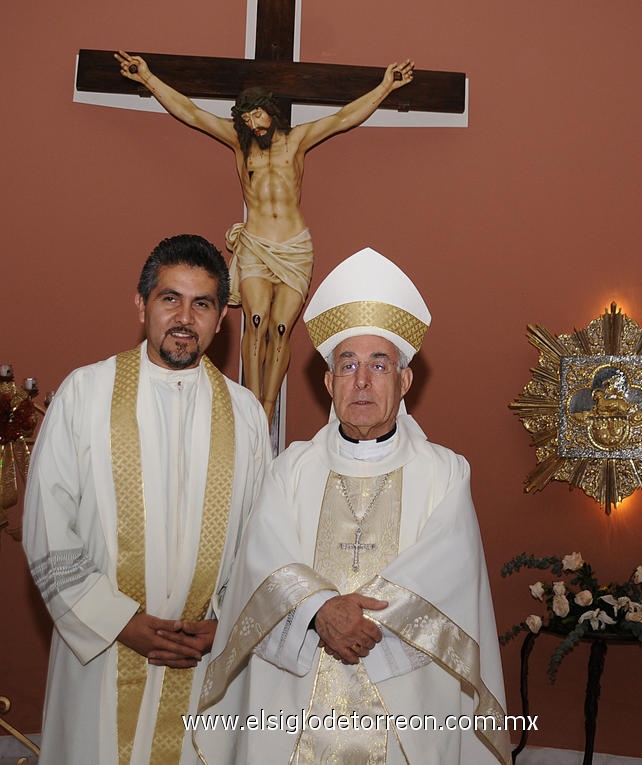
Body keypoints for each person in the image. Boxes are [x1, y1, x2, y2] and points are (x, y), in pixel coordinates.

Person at [194, 248, 512, 765]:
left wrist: (352, 619)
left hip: (407, 711)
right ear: (328, 383)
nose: (362, 381)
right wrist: (320, 611)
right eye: (348, 365)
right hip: (296, 715)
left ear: (404, 382)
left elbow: (447, 575)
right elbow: (263, 562)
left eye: (379, 364)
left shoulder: (446, 472)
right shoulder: (290, 469)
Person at [23, 234, 271, 765]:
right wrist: (120, 622)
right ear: (141, 305)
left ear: (220, 319)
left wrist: (224, 625)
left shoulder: (246, 415)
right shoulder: (83, 395)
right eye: (169, 298)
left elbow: (261, 539)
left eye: (202, 303)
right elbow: (48, 529)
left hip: (202, 657)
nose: (185, 317)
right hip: (103, 656)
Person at [114, 50, 415, 424]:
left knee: (282, 328)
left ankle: (267, 408)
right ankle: (250, 402)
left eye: (257, 115)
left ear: (271, 110)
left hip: (293, 247)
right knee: (256, 320)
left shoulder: (296, 142)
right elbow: (191, 112)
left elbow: (343, 117)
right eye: (246, 118)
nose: (253, 124)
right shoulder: (240, 145)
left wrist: (385, 86)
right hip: (256, 244)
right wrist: (147, 79)